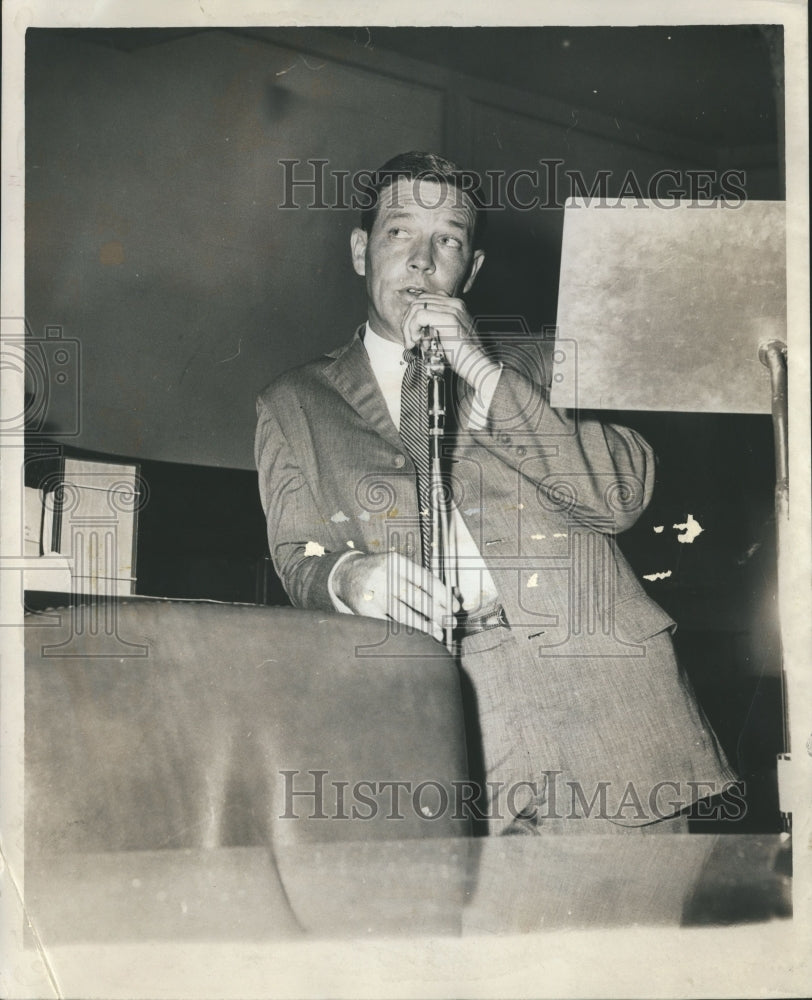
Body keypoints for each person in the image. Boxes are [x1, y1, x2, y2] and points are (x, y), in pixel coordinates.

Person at [255, 151, 736, 834]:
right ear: (362, 250)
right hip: (438, 707)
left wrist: (485, 376)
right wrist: (348, 576)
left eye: (448, 238)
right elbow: (297, 553)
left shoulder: (542, 358)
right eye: (400, 233)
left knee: (634, 934)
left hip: (606, 704)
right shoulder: (293, 402)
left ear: (471, 269)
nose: (424, 260)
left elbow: (620, 493)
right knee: (479, 935)